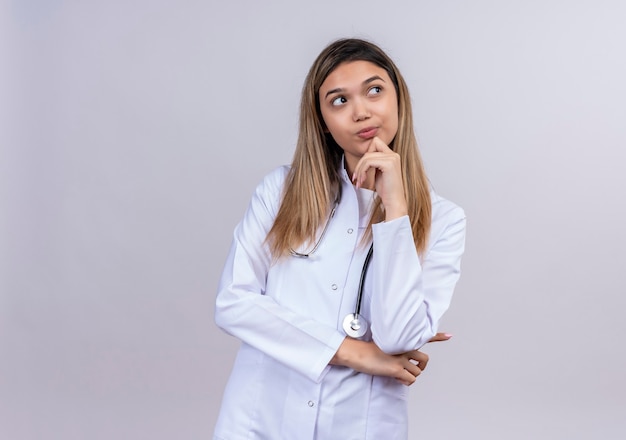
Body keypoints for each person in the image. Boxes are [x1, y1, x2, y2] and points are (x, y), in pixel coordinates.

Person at [213, 38, 466, 440]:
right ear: (322, 121)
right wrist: (358, 354)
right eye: (339, 100)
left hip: (360, 424)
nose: (361, 111)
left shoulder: (445, 221)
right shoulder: (279, 192)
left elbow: (398, 336)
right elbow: (234, 303)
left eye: (375, 90)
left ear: (399, 99)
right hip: (260, 418)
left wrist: (395, 209)